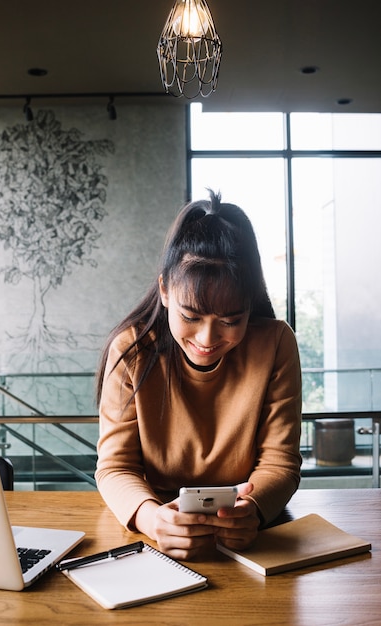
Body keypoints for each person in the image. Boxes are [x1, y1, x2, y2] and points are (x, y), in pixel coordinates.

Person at [95, 190, 302, 560]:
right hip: (155, 534)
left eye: (230, 320)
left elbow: (280, 462)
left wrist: (251, 509)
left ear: (249, 306)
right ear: (164, 290)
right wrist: (151, 519)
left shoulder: (275, 344)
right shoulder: (131, 350)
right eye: (191, 317)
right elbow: (115, 467)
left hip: (248, 533)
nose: (207, 339)